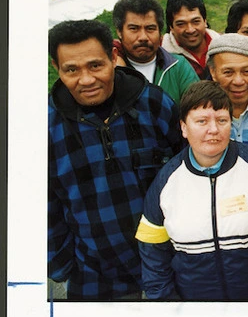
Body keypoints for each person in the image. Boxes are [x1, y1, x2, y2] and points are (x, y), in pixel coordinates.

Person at [48, 19, 182, 300]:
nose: (86, 79)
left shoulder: (154, 104)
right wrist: (62, 266)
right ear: (55, 68)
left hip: (169, 268)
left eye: (95, 65)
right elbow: (42, 205)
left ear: (113, 56)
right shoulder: (45, 126)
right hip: (92, 278)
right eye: (71, 70)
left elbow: (189, 171)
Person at [136, 81, 248, 300]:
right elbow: (152, 247)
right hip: (192, 302)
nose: (213, 130)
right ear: (183, 127)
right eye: (201, 121)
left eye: (222, 120)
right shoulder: (167, 179)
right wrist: (166, 302)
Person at [111, 0, 199, 105]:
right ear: (119, 31)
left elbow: (198, 108)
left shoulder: (178, 67)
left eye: (150, 29)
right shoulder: (111, 70)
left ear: (160, 33)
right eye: (134, 29)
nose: (143, 37)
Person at [162, 0, 221, 79]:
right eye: (181, 24)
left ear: (205, 21)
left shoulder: (223, 46)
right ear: (171, 27)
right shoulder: (160, 54)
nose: (190, 30)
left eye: (196, 22)